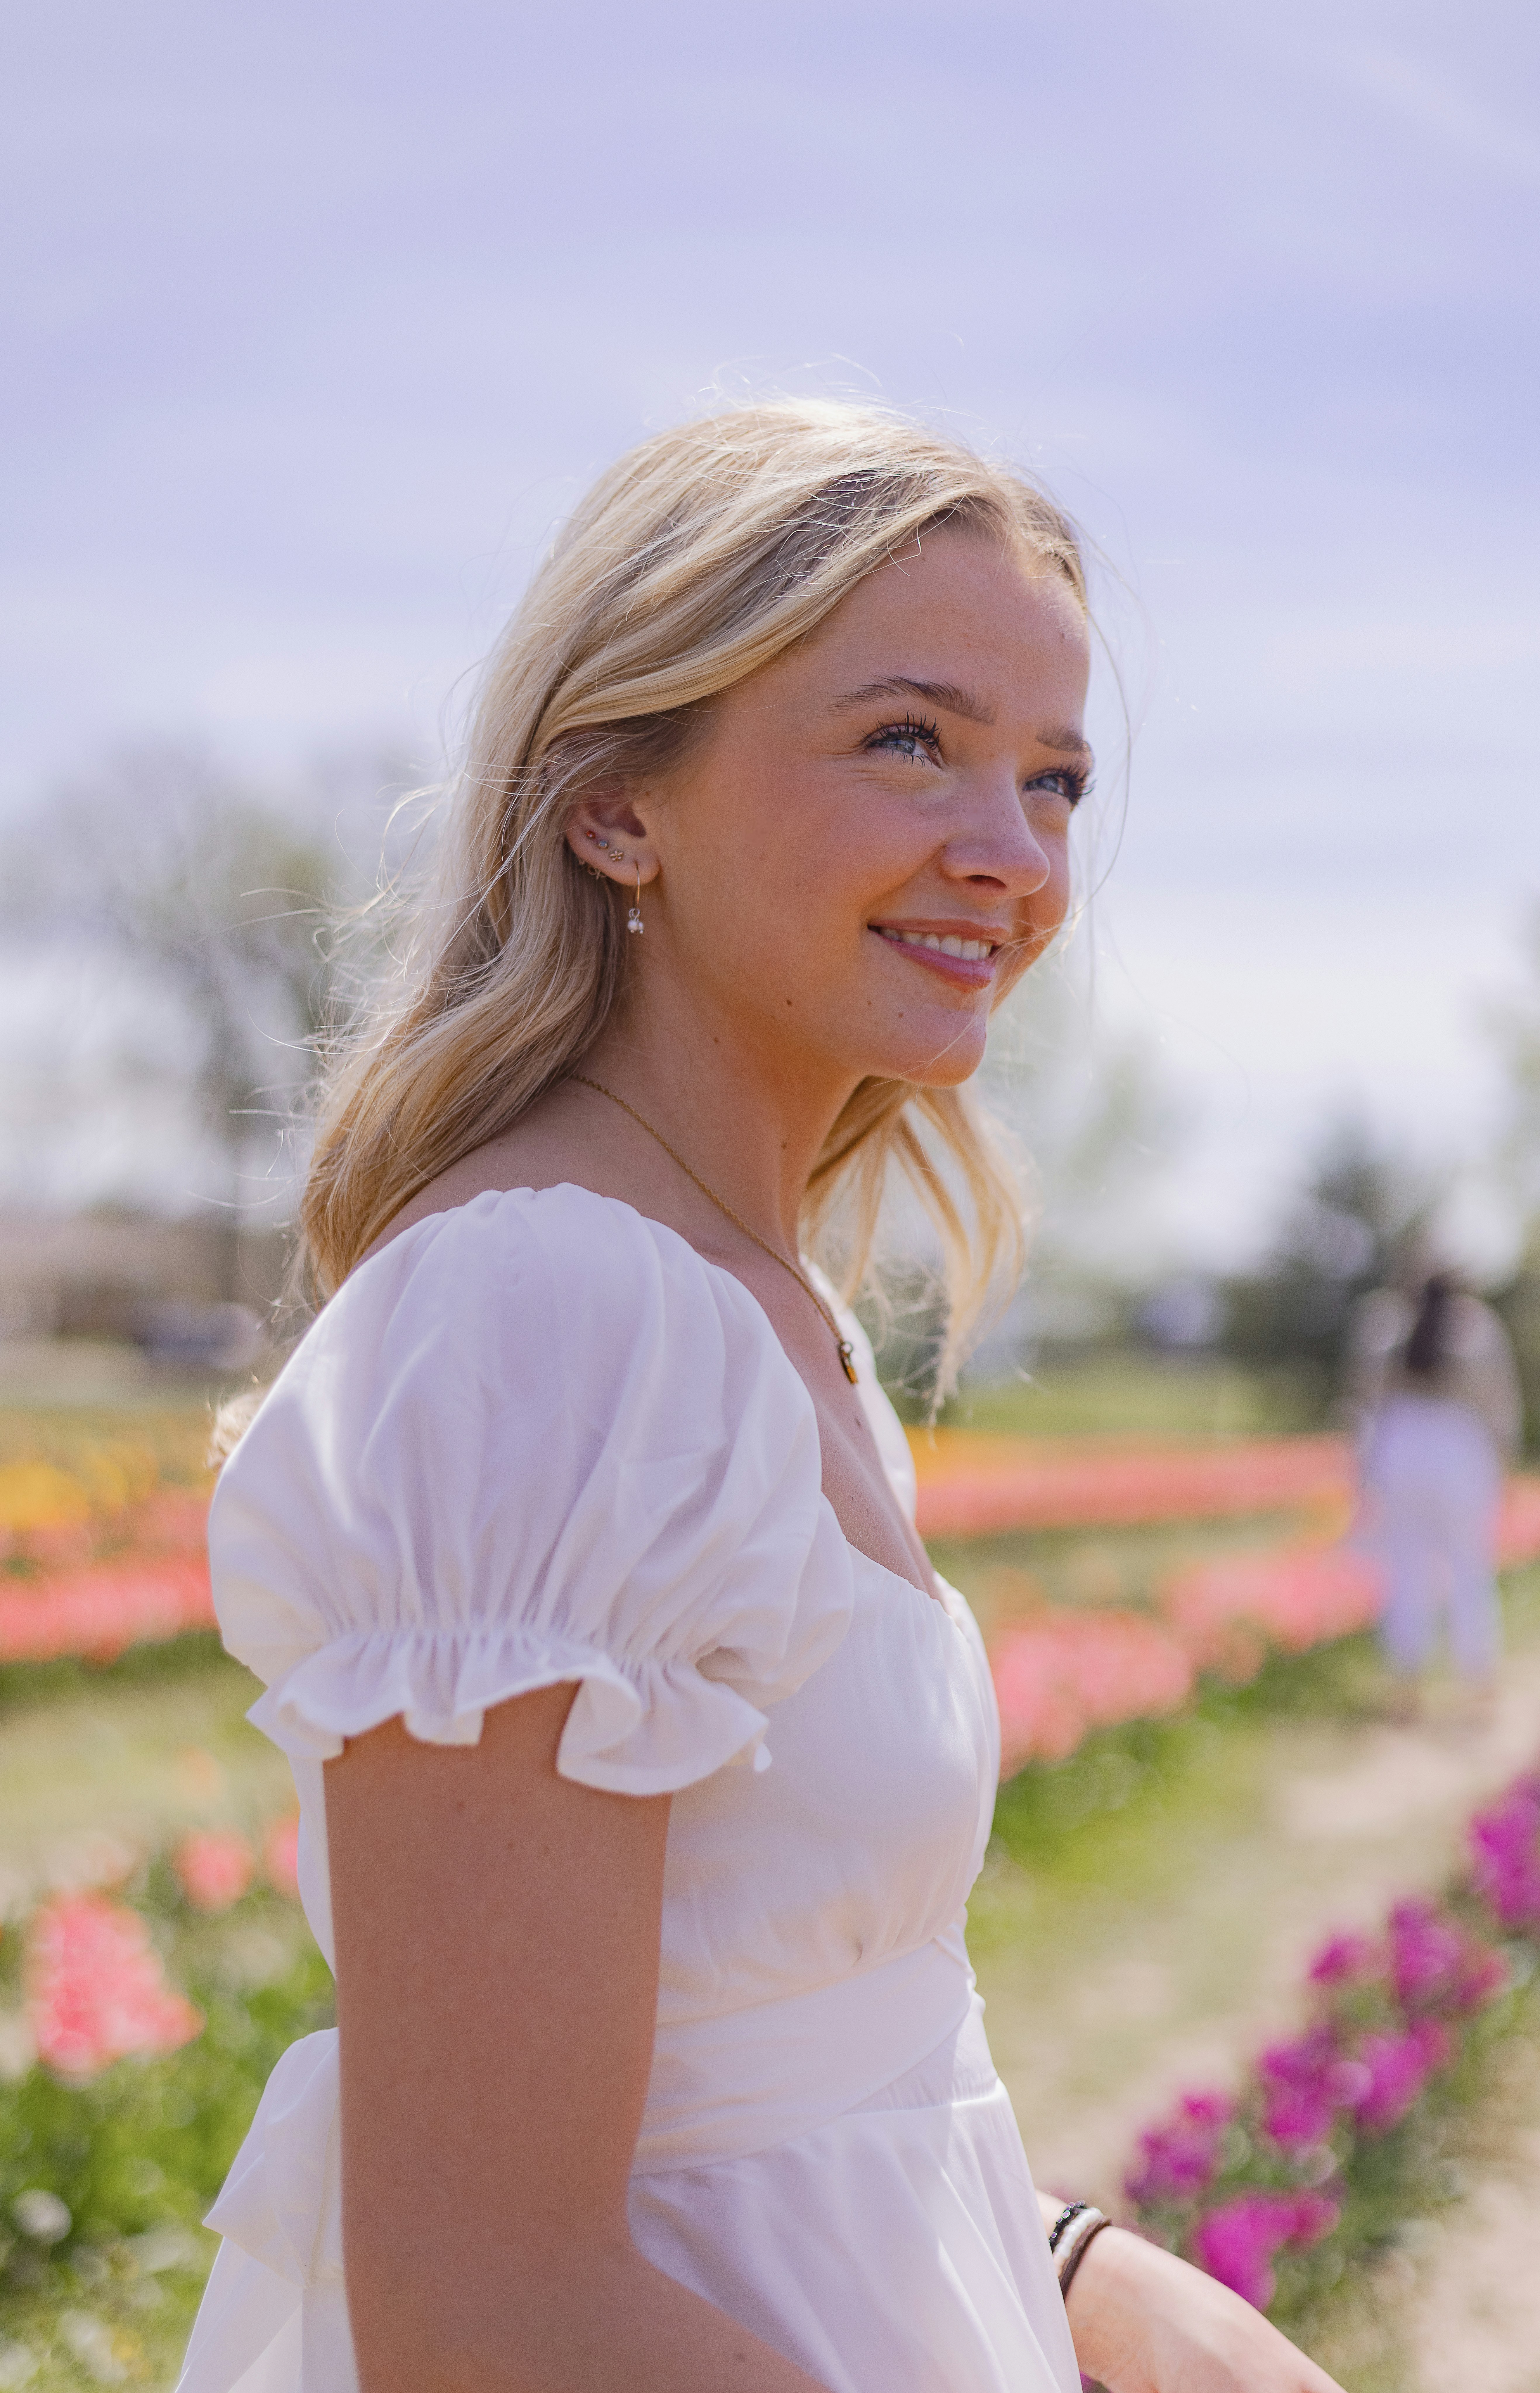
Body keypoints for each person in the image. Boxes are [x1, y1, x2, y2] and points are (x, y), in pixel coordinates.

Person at [177, 403, 1346, 2393]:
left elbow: (770, 2088)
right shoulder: (553, 1311)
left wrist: (1076, 2267)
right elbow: (493, 2312)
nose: (1013, 852)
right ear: (618, 804)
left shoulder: (752, 1306)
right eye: (911, 739)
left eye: (1055, 776)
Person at [1348, 1269, 1522, 1714]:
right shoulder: (1478, 1323)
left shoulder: (1388, 1320)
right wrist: (1506, 1459)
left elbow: (1365, 1393)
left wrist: (1366, 1466)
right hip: (1458, 1448)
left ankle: (1407, 1683)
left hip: (1400, 1444)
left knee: (1405, 1568)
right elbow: (1500, 1400)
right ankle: (1477, 1682)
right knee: (1470, 1566)